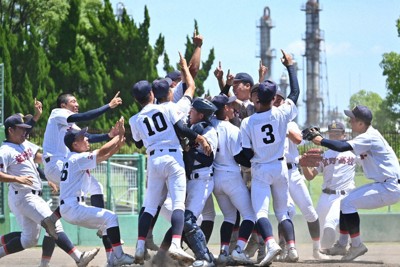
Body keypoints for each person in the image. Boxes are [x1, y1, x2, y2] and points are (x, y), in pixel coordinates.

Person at [129, 80, 211, 265]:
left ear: (136, 99)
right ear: (151, 94)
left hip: (153, 160)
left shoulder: (134, 119)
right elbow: (182, 128)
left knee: (150, 206)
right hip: (173, 157)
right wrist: (199, 138)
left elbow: (138, 143)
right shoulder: (167, 108)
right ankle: (175, 243)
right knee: (178, 204)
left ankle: (140, 246)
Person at [0, 114, 99, 267]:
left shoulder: (24, 144)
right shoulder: (5, 150)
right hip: (23, 195)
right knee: (53, 225)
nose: (25, 132)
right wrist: (17, 179)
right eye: (21, 129)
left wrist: (49, 176)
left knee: (29, 240)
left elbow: (37, 160)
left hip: (32, 195)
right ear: (11, 130)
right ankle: (79, 258)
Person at [307, 105, 400, 261]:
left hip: (389, 186)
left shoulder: (369, 136)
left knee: (348, 203)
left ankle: (356, 245)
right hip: (385, 184)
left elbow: (343, 146)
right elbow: (344, 147)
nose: (349, 121)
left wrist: (321, 140)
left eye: (353, 119)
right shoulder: (367, 136)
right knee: (346, 202)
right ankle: (342, 245)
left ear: (361, 123)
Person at [240, 49, 300, 266]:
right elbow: (295, 93)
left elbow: (245, 153)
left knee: (260, 212)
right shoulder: (282, 113)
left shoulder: (248, 122)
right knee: (282, 212)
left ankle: (271, 243)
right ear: (274, 98)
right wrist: (290, 66)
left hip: (261, 169)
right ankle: (291, 247)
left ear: (257, 99)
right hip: (280, 167)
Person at [41, 92, 122, 241]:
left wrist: (108, 136)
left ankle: (52, 219)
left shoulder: (70, 123)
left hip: (61, 164)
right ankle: (103, 225)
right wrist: (108, 106)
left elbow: (87, 137)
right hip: (55, 164)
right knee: (84, 190)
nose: (77, 104)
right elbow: (84, 116)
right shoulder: (57, 113)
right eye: (73, 101)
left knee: (94, 187)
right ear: (63, 105)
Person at [59, 119, 134, 267]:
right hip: (73, 207)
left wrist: (118, 144)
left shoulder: (74, 158)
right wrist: (117, 137)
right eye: (82, 138)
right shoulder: (77, 158)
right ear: (75, 145)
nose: (86, 138)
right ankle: (118, 256)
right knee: (111, 217)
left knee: (107, 223)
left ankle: (112, 260)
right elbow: (102, 151)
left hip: (70, 207)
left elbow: (104, 156)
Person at [272, 89, 326, 261]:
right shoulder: (267, 120)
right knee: (287, 211)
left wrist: (309, 136)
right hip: (279, 172)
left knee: (310, 211)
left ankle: (317, 250)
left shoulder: (290, 122)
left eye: (281, 99)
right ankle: (286, 247)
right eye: (275, 99)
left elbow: (298, 138)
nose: (278, 101)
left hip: (294, 172)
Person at [210, 94, 256, 265]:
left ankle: (223, 253)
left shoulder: (208, 126)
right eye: (229, 106)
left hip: (216, 178)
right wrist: (254, 161)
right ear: (225, 109)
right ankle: (238, 250)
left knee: (229, 217)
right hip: (231, 176)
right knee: (250, 215)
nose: (232, 108)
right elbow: (239, 158)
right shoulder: (232, 129)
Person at [301, 121, 357, 251]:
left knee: (330, 224)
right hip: (325, 196)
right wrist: (303, 165)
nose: (333, 136)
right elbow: (310, 176)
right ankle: (338, 245)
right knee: (317, 225)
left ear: (344, 135)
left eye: (337, 134)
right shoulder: (324, 155)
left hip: (342, 196)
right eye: (331, 134)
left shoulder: (352, 153)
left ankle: (336, 247)